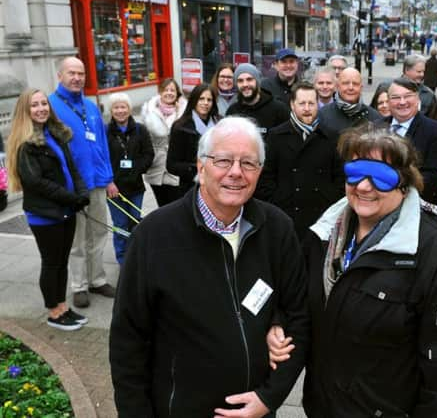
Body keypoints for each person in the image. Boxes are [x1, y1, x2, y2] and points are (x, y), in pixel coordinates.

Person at [267, 127, 437, 417]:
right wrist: (279, 322)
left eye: (381, 177)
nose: (364, 186)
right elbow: (298, 295)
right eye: (355, 172)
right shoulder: (324, 234)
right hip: (324, 404)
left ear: (404, 183)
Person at [110, 116, 310, 417]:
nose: (235, 173)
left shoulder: (277, 229)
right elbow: (128, 341)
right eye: (223, 160)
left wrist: (270, 398)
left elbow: (299, 315)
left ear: (259, 172)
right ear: (201, 168)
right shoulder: (154, 236)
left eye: (248, 163)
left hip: (257, 410)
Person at [6, 88, 89, 330]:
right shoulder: (26, 144)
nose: (41, 108)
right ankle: (54, 313)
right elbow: (36, 182)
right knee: (51, 263)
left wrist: (82, 194)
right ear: (26, 111)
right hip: (46, 215)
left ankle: (62, 306)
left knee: (62, 262)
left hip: (66, 210)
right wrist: (72, 198)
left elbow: (72, 169)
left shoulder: (56, 134)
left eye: (44, 103)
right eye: (35, 105)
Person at [49, 56, 117, 308]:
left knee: (98, 233)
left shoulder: (90, 106)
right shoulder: (51, 106)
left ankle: (97, 279)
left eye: (81, 73)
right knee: (77, 239)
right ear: (60, 75)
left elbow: (101, 145)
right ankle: (78, 285)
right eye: (71, 73)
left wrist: (109, 177)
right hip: (72, 187)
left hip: (98, 182)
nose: (77, 78)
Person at [255, 82, 344, 239]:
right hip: (286, 220)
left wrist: (328, 205)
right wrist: (278, 204)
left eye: (311, 103)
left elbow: (339, 179)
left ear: (318, 105)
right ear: (292, 105)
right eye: (302, 103)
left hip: (320, 222)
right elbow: (265, 179)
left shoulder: (332, 137)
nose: (307, 108)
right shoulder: (276, 137)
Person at [105, 93, 154, 266]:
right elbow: (101, 158)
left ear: (129, 109)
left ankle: (135, 256)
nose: (120, 111)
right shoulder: (105, 132)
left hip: (135, 187)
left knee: (135, 223)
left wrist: (136, 170)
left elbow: (148, 154)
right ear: (111, 111)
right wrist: (108, 181)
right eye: (116, 107)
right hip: (114, 189)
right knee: (120, 226)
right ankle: (122, 260)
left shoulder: (140, 129)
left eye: (123, 106)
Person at [384, 77, 437, 205]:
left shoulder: (435, 131)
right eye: (396, 97)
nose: (402, 102)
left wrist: (397, 190)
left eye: (408, 96)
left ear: (417, 99)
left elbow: (435, 176)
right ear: (388, 101)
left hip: (416, 205)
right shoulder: (377, 127)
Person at [141, 78, 186, 207]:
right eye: (166, 90)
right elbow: (145, 140)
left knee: (177, 206)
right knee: (161, 205)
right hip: (156, 166)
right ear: (160, 92)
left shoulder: (184, 110)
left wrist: (177, 114)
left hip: (176, 167)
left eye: (172, 90)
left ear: (177, 93)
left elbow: (181, 133)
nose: (169, 93)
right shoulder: (148, 111)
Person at [167, 83, 218, 197]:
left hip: (216, 184)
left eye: (209, 100)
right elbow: (171, 165)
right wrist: (196, 169)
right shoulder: (180, 127)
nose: (205, 103)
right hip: (190, 187)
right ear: (194, 100)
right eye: (201, 99)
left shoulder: (219, 124)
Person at [226, 63, 290, 137]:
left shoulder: (279, 110)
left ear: (257, 82)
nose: (245, 84)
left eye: (249, 79)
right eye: (240, 81)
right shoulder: (232, 112)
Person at [317, 67, 381, 138]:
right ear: (338, 86)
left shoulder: (375, 118)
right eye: (345, 83)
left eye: (355, 84)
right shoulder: (322, 115)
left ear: (361, 88)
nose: (350, 87)